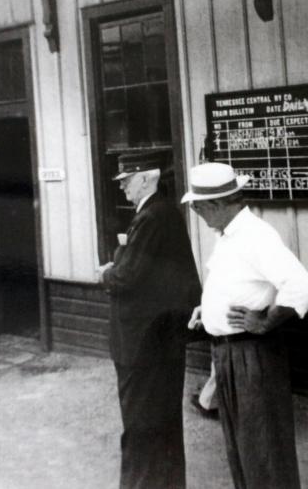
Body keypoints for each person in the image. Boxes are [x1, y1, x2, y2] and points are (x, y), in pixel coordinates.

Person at [183, 162, 308, 489]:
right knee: (242, 445)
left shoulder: (256, 235)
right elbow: (238, 282)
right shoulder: (229, 234)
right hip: (228, 353)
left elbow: (302, 286)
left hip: (251, 353)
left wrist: (266, 321)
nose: (197, 213)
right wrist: (208, 309)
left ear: (217, 204)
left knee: (263, 447)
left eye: (199, 207)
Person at [99, 151, 201, 489]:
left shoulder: (150, 218)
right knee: (164, 424)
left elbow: (125, 278)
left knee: (141, 427)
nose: (123, 187)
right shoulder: (164, 213)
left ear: (146, 178)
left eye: (127, 180)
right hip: (162, 341)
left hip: (142, 346)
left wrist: (108, 271)